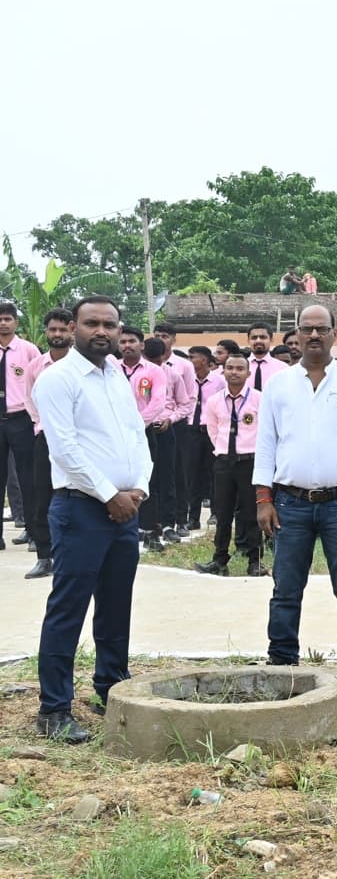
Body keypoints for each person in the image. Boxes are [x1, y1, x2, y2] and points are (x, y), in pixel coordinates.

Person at [32, 296, 152, 741]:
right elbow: (65, 450)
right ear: (73, 327)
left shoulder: (116, 375)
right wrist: (109, 495)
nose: (102, 331)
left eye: (110, 324)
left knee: (116, 605)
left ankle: (111, 689)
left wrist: (139, 485)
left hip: (126, 510)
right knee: (69, 608)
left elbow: (136, 437)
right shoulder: (57, 380)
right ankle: (54, 709)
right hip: (81, 509)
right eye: (92, 323)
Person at [253, 305, 337, 697]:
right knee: (285, 588)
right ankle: (281, 662)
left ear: (335, 334)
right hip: (290, 503)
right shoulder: (279, 386)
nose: (314, 335)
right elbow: (266, 446)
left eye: (321, 329)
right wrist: (264, 499)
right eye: (306, 330)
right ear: (295, 335)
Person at [196, 353, 265, 577]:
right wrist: (223, 451)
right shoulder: (215, 400)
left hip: (249, 461)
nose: (234, 372)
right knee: (222, 512)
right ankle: (219, 560)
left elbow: (264, 431)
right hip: (224, 462)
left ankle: (255, 561)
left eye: (239, 368)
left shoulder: (258, 399)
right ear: (223, 371)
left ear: (248, 373)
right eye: (230, 368)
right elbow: (213, 430)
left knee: (251, 512)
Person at [20, 308, 74, 580]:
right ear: (46, 332)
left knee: (77, 495)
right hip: (46, 437)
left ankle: (74, 553)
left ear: (72, 331)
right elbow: (29, 398)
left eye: (62, 330)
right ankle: (44, 556)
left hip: (79, 439)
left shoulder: (84, 363)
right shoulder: (36, 366)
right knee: (42, 494)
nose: (57, 334)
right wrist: (42, 423)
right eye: (52, 329)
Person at [116, 329, 166, 552]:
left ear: (141, 345)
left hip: (143, 433)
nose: (127, 345)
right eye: (123, 341)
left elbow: (157, 402)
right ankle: (124, 525)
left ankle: (150, 528)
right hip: (113, 434)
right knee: (119, 479)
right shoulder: (109, 369)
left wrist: (136, 426)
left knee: (148, 480)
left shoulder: (154, 371)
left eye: (132, 341)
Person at [0, 302, 42, 554]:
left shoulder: (28, 350)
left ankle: (34, 532)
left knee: (29, 478)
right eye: (0, 319)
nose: (3, 323)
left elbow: (42, 381)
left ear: (16, 323)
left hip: (21, 418)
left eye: (8, 319)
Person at [152, 323, 196, 538]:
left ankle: (180, 519)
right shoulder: (143, 367)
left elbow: (189, 399)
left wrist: (173, 418)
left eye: (165, 336)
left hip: (176, 424)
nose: (161, 339)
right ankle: (156, 520)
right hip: (149, 425)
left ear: (174, 339)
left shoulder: (182, 366)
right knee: (154, 475)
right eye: (157, 335)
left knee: (178, 473)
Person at [183, 346, 223, 532]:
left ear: (205, 360)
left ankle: (216, 512)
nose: (190, 361)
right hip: (191, 430)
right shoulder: (186, 379)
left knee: (214, 472)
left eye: (193, 357)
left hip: (211, 430)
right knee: (192, 474)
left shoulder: (219, 381)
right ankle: (193, 517)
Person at [246, 323, 288, 391]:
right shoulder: (239, 368)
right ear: (248, 341)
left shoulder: (283, 368)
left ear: (271, 340)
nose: (258, 340)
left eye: (263, 337)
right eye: (254, 338)